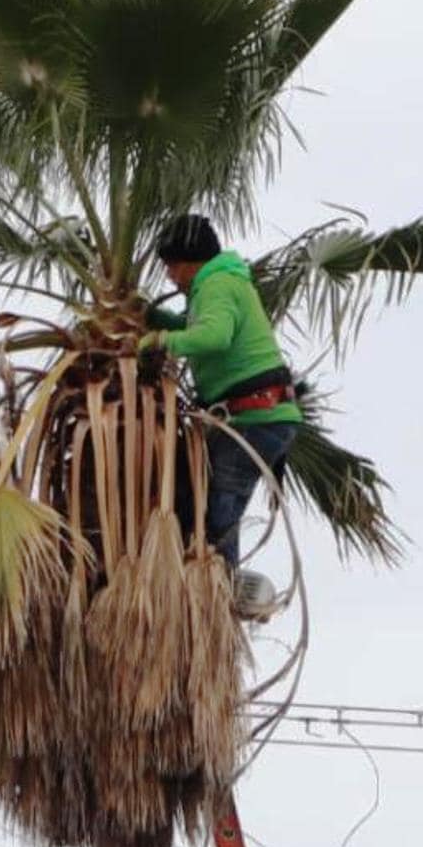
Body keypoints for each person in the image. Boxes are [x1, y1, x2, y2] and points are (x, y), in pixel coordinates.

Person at [138, 215, 301, 586]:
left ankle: (217, 592)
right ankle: (216, 584)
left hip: (255, 418)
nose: (170, 276)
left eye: (173, 266)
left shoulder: (216, 283)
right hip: (259, 417)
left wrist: (160, 342)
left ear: (192, 262)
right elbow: (195, 327)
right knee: (204, 505)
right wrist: (155, 317)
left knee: (216, 515)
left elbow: (214, 336)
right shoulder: (219, 283)